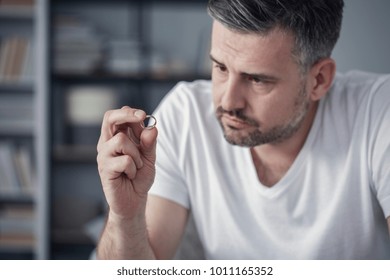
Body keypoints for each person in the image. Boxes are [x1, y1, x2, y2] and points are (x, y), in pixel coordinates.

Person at [96, 0, 390, 259]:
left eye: (257, 80)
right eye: (220, 68)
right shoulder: (186, 114)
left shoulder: (378, 113)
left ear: (319, 80)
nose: (227, 100)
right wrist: (125, 217)